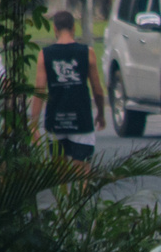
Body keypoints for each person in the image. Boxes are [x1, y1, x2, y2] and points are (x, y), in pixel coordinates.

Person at [30, 9, 105, 160]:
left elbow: (39, 91)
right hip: (81, 119)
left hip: (56, 120)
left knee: (60, 174)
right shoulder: (87, 52)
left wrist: (33, 125)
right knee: (82, 173)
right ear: (74, 28)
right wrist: (101, 114)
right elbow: (97, 90)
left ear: (55, 29)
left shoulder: (45, 54)